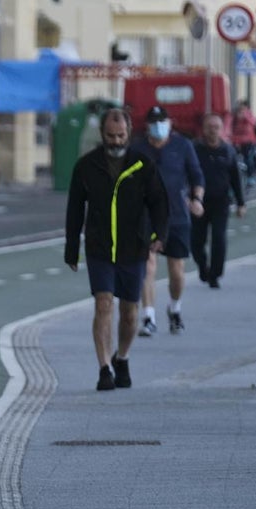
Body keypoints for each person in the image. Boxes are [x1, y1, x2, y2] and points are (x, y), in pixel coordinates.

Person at [65, 108, 169, 391]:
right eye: (110, 136)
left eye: (120, 135)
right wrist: (72, 248)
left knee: (130, 312)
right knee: (103, 304)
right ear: (102, 134)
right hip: (99, 248)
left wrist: (159, 235)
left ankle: (121, 357)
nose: (115, 140)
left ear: (129, 132)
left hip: (133, 247)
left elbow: (160, 202)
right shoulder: (86, 166)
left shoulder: (142, 164)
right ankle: (104, 368)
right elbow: (75, 209)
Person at [131, 105, 204, 336]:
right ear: (147, 125)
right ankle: (148, 317)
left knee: (177, 271)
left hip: (176, 217)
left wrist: (197, 199)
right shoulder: (137, 148)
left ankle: (174, 308)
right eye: (154, 122)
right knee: (148, 266)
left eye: (162, 121)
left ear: (170, 123)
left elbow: (196, 176)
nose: (158, 126)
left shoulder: (183, 146)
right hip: (147, 217)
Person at [190, 113, 246, 289]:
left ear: (221, 130)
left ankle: (215, 274)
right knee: (196, 241)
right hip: (198, 201)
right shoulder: (195, 149)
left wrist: (241, 203)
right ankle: (202, 266)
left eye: (216, 127)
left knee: (219, 238)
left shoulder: (228, 151)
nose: (213, 131)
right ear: (204, 129)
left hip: (221, 201)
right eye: (209, 127)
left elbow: (236, 178)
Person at [231, 99, 256, 186]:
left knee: (248, 159)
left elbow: (254, 123)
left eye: (242, 106)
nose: (240, 108)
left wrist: (245, 115)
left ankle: (250, 177)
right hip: (236, 141)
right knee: (233, 159)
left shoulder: (249, 114)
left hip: (248, 141)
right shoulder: (235, 115)